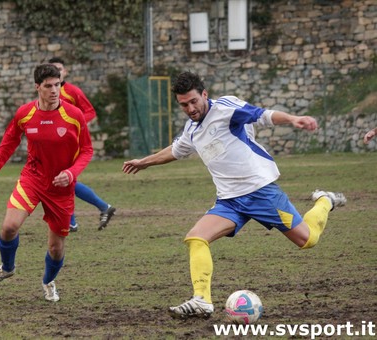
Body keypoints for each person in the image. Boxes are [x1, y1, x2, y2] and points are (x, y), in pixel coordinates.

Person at [122, 71, 347, 319]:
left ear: (204, 94)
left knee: (307, 240)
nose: (190, 108)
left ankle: (325, 200)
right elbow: (176, 150)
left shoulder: (226, 108)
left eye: (194, 101)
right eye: (183, 104)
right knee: (196, 238)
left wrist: (292, 119)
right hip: (229, 201)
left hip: (261, 192)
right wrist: (145, 162)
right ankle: (202, 301)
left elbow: (262, 115)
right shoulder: (192, 129)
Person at [0, 64, 93, 302]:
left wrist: (71, 174)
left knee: (56, 248)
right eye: (49, 86)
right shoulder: (25, 113)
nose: (55, 91)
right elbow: (10, 140)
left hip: (61, 189)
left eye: (58, 85)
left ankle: (48, 281)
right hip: (32, 179)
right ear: (37, 87)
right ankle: (7, 267)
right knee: (9, 227)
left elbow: (87, 150)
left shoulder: (74, 115)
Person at [48, 57, 116, 232]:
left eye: (59, 68)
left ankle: (75, 220)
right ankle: (92, 212)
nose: (57, 72)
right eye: (53, 69)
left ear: (65, 72)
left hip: (71, 141)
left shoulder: (72, 91)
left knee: (63, 178)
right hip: (56, 142)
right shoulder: (48, 92)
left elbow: (90, 112)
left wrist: (74, 125)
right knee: (64, 179)